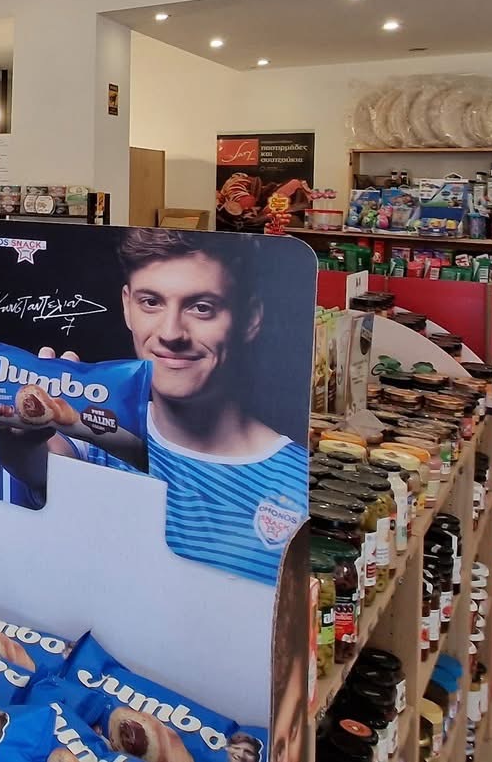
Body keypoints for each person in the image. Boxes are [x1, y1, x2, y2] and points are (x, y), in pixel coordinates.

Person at [32, 228, 307, 584]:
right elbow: (33, 464)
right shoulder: (98, 433)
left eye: (202, 308)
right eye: (151, 302)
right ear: (127, 306)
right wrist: (24, 437)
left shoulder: (297, 482)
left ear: (250, 318)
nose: (171, 333)